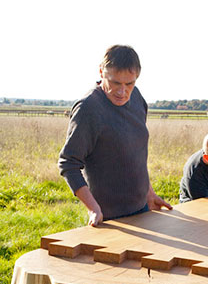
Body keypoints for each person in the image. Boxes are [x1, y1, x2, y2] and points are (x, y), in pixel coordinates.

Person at [58, 45, 172, 226]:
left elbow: (136, 152)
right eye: (115, 83)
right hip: (109, 219)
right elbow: (68, 163)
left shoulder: (136, 98)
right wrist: (93, 208)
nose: (122, 92)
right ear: (101, 72)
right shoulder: (88, 109)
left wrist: (149, 193)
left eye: (129, 84)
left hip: (142, 208)